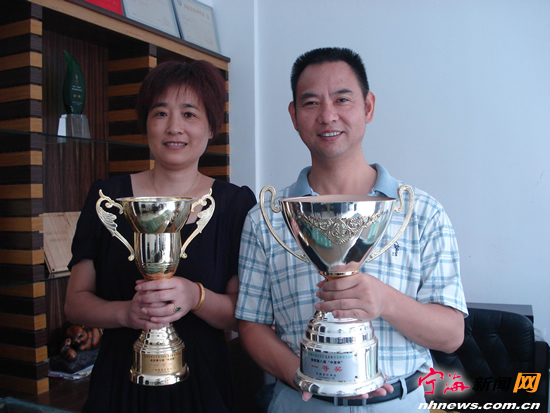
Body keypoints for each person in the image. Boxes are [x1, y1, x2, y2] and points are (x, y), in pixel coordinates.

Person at [235, 47, 467, 412]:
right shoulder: (267, 218)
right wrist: (304, 376)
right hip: (303, 402)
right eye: (311, 103)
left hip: (400, 402)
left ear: (368, 107)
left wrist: (385, 300)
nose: (328, 115)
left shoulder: (421, 212)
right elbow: (252, 325)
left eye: (342, 99)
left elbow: (452, 335)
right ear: (294, 115)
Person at [65, 60, 256, 413]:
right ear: (146, 124)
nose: (174, 127)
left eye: (189, 114)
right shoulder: (107, 197)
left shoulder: (234, 204)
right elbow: (75, 302)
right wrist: (125, 313)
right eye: (160, 113)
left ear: (211, 127)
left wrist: (195, 296)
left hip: (203, 384)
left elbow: (242, 315)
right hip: (119, 382)